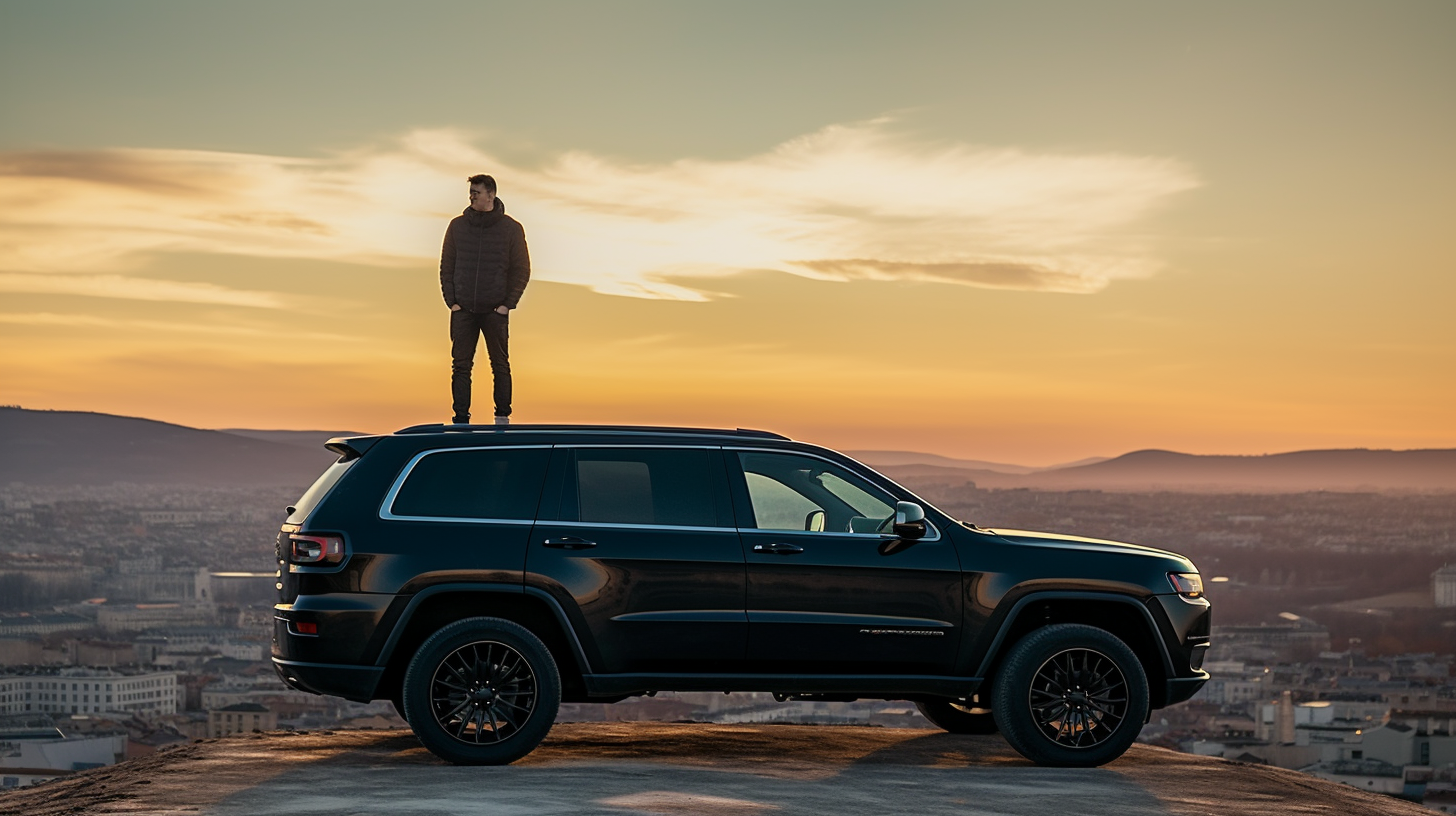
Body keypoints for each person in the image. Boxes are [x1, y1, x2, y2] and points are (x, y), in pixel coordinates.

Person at [439, 174, 530, 425]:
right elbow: (447, 266)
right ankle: (460, 420)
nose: (472, 196)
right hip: (463, 309)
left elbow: (521, 269)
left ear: (491, 194)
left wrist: (506, 305)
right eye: (471, 192)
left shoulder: (511, 229)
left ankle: (502, 418)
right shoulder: (457, 226)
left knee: (500, 364)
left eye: (476, 192)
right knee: (461, 366)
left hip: (495, 310)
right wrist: (452, 302)